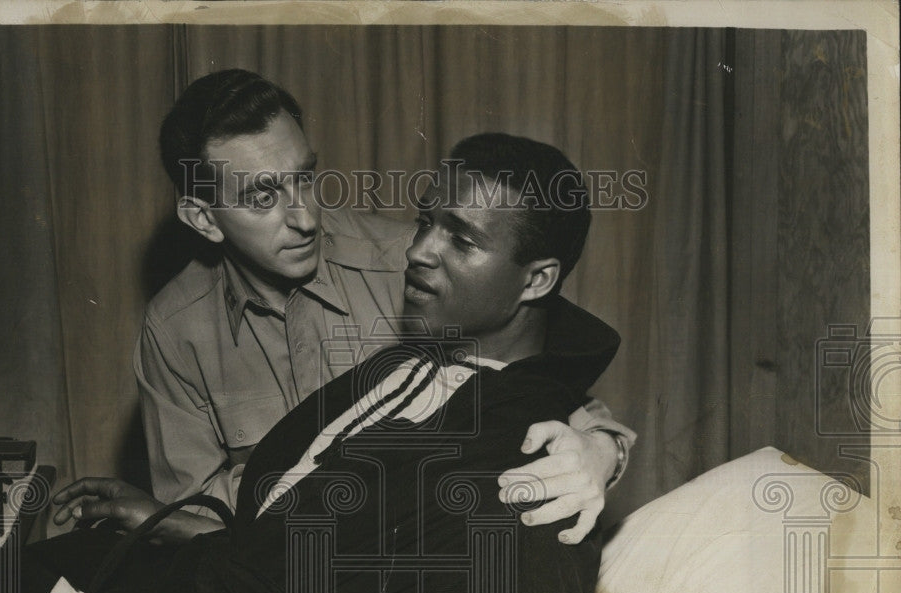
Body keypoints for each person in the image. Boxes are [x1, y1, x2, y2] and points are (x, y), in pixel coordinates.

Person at [56, 69, 635, 545]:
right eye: (263, 197)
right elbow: (197, 520)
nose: (305, 217)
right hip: (266, 582)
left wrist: (601, 449)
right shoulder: (175, 328)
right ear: (204, 218)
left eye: (304, 179)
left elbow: (547, 388)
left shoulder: (412, 264)